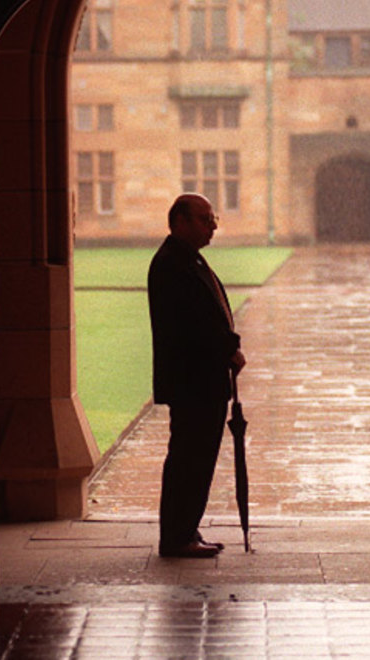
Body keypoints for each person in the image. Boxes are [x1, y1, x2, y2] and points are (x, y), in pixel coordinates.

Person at [147, 193, 246, 558]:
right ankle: (176, 536)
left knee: (197, 458)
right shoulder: (173, 263)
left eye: (213, 218)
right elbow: (193, 326)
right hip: (193, 382)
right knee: (189, 459)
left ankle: (185, 529)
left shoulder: (187, 259)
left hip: (201, 380)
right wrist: (228, 348)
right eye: (205, 219)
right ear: (181, 221)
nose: (213, 225)